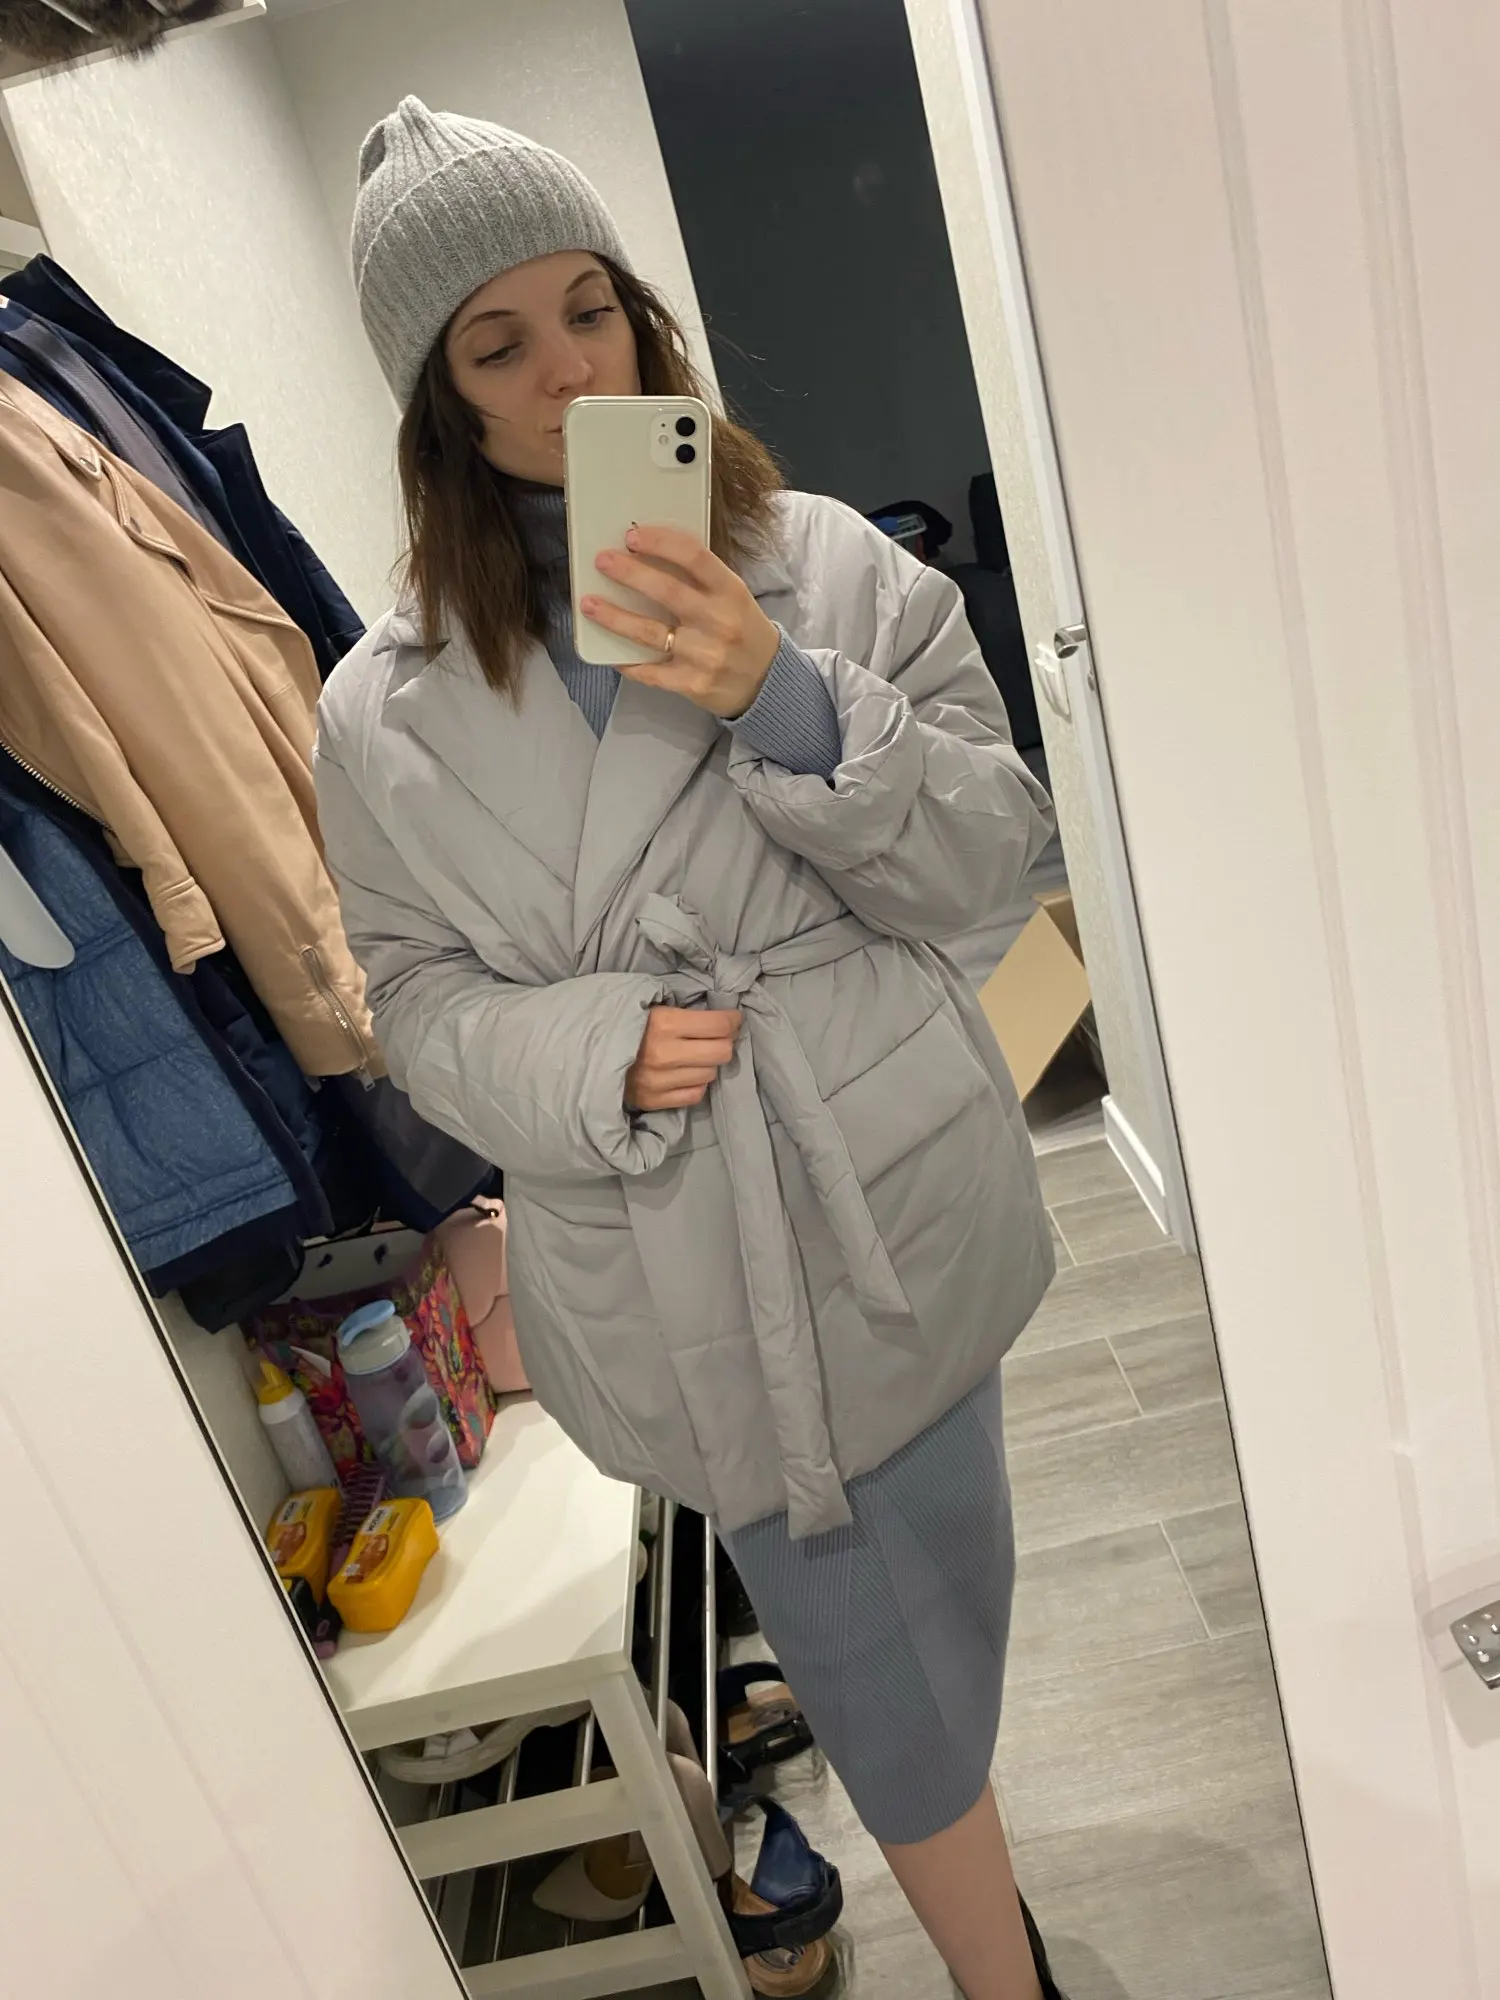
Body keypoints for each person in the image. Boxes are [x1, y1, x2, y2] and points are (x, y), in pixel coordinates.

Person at [317, 97, 1064, 2000]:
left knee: (949, 1613)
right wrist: (597, 1048)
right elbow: (414, 1006)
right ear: (438, 401)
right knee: (877, 1681)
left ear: (642, 317)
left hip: (885, 1185)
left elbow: (997, 849)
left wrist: (788, 699)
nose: (570, 372)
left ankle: (988, 1906)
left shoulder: (820, 563)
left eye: (591, 311)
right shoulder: (378, 707)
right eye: (499, 344)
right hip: (671, 1251)